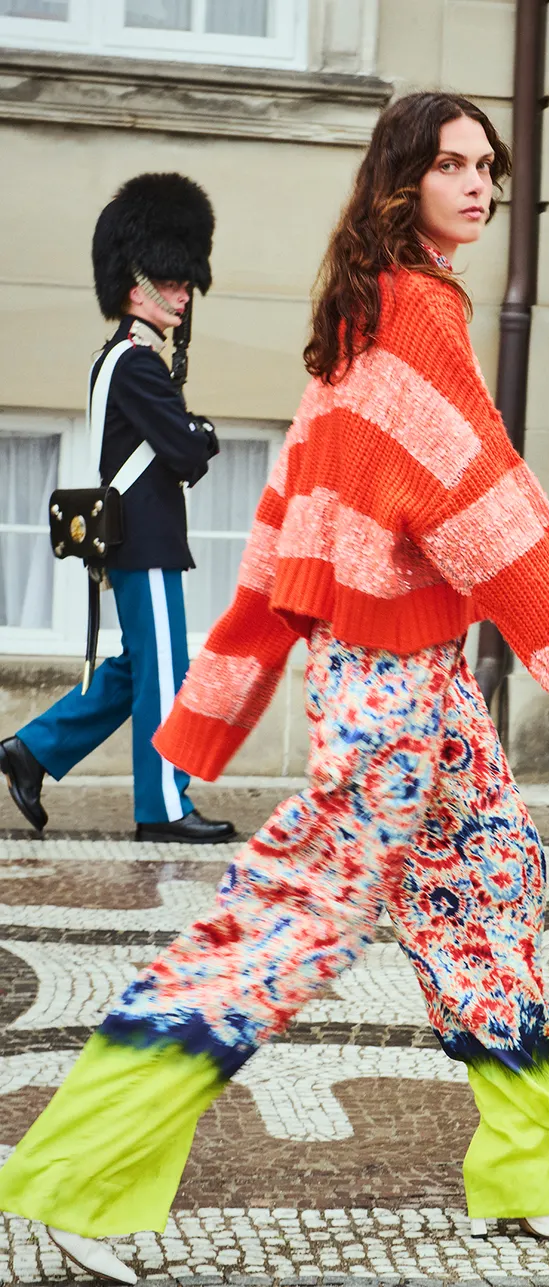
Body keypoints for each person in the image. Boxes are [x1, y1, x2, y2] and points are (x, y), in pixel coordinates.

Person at [0, 94, 549, 1281]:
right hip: (387, 691)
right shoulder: (411, 315)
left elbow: (288, 524)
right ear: (401, 182)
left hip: (417, 683)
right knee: (285, 927)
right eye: (452, 166)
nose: (478, 187)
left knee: (488, 889)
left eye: (488, 167)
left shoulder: (361, 318)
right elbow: (488, 509)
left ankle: (546, 1161)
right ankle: (86, 1178)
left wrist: (222, 689)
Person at [0, 173, 236, 845]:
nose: (186, 293)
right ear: (140, 287)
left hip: (133, 537)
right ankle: (161, 808)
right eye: (176, 282)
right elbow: (188, 453)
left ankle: (32, 750)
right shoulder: (138, 364)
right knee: (164, 672)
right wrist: (205, 431)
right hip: (147, 540)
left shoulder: (120, 358)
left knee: (138, 665)